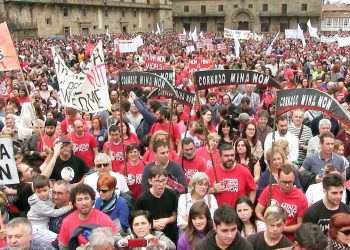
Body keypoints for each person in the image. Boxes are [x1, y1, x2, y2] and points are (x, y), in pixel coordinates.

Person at [256, 164, 308, 241]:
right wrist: (269, 224)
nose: (287, 185)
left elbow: (300, 225)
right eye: (284, 182)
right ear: (278, 179)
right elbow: (258, 211)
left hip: (288, 239)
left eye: (290, 182)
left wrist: (280, 228)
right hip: (268, 235)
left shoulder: (301, 197)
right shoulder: (269, 190)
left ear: (294, 179)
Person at [58, 184, 117, 249]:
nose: (84, 203)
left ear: (92, 201)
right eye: (79, 200)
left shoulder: (104, 218)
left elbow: (115, 240)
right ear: (74, 204)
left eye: (86, 198)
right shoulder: (67, 221)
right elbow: (63, 246)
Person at [136, 166, 178, 243]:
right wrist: (151, 224)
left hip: (170, 234)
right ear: (150, 181)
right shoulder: (142, 199)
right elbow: (136, 220)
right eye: (157, 181)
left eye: (163, 180)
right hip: (151, 234)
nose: (161, 184)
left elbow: (175, 216)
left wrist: (166, 220)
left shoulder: (172, 194)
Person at [27, 175, 72, 245]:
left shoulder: (51, 192)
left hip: (44, 226)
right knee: (60, 240)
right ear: (35, 191)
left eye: (45, 190)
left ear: (49, 188)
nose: (42, 194)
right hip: (37, 229)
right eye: (39, 192)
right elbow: (54, 213)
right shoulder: (38, 203)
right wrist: (68, 208)